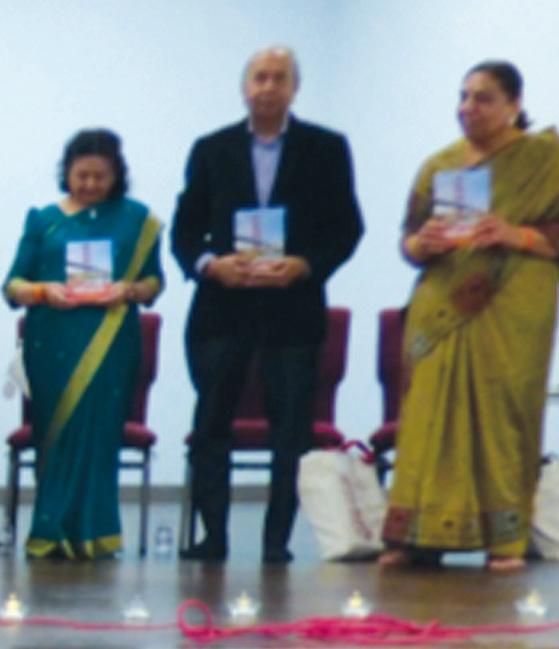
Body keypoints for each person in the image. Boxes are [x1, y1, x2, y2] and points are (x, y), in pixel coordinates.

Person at [381, 60, 559, 572]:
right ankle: (417, 536)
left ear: (514, 105)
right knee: (427, 416)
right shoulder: (439, 165)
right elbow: (408, 238)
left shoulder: (545, 160)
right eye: (464, 96)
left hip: (510, 306)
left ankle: (504, 539)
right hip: (441, 304)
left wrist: (514, 234)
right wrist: (421, 243)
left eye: (483, 98)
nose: (468, 108)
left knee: (501, 415)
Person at [169, 46, 365, 564]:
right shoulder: (210, 149)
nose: (269, 87)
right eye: (260, 77)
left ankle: (277, 542)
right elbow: (184, 231)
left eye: (280, 78)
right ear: (244, 87)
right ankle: (213, 537)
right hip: (222, 308)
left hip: (292, 308)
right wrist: (211, 264)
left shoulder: (326, 148)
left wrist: (306, 264)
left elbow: (346, 228)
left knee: (291, 430)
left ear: (294, 89)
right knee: (211, 425)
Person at [2, 128, 165, 560]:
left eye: (100, 177)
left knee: (98, 433)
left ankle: (96, 532)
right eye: (81, 176)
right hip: (52, 340)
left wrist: (129, 290)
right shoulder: (43, 220)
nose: (90, 185)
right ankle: (50, 529)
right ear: (66, 173)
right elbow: (12, 284)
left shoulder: (138, 221)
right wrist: (44, 291)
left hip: (111, 340)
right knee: (56, 433)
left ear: (117, 176)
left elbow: (154, 282)